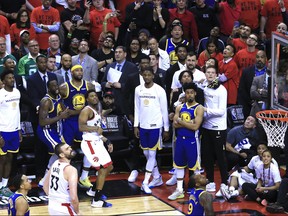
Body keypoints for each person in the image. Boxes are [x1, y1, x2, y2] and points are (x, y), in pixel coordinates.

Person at [134, 66, 170, 194]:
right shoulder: (138, 89)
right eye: (145, 75)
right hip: (143, 126)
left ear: (153, 76)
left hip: (156, 126)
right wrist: (135, 125)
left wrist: (166, 128)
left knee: (152, 154)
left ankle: (145, 182)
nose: (147, 77)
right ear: (142, 75)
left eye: (149, 75)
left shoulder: (159, 90)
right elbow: (136, 108)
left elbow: (164, 110)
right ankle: (157, 177)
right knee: (146, 153)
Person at [59, 64, 95, 188]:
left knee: (89, 148)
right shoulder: (64, 87)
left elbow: (94, 102)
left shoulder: (89, 85)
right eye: (77, 70)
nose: (79, 72)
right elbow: (58, 101)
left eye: (81, 70)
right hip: (69, 123)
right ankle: (62, 176)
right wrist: (63, 111)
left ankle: (84, 176)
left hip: (83, 121)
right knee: (64, 149)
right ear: (72, 72)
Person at [168, 82, 204, 200]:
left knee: (195, 167)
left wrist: (180, 121)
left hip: (192, 141)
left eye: (191, 93)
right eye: (187, 93)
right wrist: (189, 122)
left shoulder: (199, 108)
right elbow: (174, 125)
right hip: (180, 140)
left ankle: (197, 190)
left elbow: (195, 127)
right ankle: (179, 190)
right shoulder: (179, 107)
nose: (189, 95)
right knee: (179, 165)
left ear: (195, 94)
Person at [79, 89, 113, 208]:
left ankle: (93, 190)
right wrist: (95, 129)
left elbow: (98, 131)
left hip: (97, 141)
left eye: (95, 96)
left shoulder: (97, 111)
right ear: (87, 99)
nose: (94, 97)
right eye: (91, 96)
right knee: (103, 169)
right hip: (89, 142)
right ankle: (96, 200)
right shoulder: (86, 110)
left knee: (109, 167)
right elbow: (81, 127)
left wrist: (107, 141)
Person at [37, 79, 70, 187]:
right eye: (53, 86)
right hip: (46, 130)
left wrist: (63, 112)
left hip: (56, 130)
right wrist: (60, 116)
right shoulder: (46, 101)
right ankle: (50, 179)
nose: (56, 87)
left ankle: (44, 180)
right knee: (61, 151)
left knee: (59, 153)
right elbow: (42, 122)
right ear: (48, 88)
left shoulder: (59, 98)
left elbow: (63, 112)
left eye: (57, 85)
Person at [201, 65, 228, 192]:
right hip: (206, 127)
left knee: (220, 156)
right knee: (207, 156)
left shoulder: (221, 90)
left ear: (217, 75)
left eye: (213, 73)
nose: (210, 75)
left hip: (218, 127)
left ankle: (224, 182)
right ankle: (210, 180)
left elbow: (221, 111)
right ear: (205, 74)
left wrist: (206, 110)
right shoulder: (204, 87)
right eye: (208, 72)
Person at [0, 69, 21, 197]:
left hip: (14, 131)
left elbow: (17, 112)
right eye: (9, 78)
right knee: (1, 159)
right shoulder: (0, 94)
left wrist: (18, 130)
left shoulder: (17, 92)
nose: (12, 79)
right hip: (3, 131)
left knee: (10, 158)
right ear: (3, 81)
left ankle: (4, 186)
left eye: (12, 77)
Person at [43, 143, 80, 215]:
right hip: (65, 207)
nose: (70, 149)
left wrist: (54, 199)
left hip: (52, 206)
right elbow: (73, 197)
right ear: (61, 155)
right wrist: (77, 212)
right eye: (67, 149)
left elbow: (45, 186)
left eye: (69, 147)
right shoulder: (71, 170)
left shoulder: (55, 163)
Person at [237, 50, 267, 118]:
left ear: (266, 59)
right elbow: (242, 90)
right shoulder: (246, 71)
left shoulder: (270, 72)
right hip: (249, 106)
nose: (259, 59)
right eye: (257, 57)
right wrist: (250, 102)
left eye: (262, 57)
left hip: (266, 106)